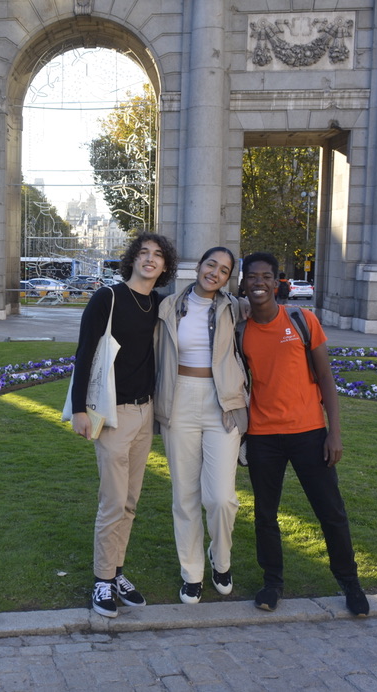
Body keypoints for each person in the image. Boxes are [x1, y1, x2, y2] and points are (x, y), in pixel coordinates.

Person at [238, 252, 369, 617]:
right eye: (252, 277)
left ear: (277, 282)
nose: (259, 283)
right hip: (263, 436)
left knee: (331, 512)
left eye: (266, 276)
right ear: (244, 283)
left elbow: (326, 378)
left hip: (310, 433)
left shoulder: (301, 319)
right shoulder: (241, 330)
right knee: (265, 514)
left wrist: (334, 434)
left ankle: (350, 584)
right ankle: (272, 582)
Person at [69, 231, 178, 618]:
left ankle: (116, 572)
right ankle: (101, 580)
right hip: (112, 413)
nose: (150, 259)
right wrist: (80, 409)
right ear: (132, 259)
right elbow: (85, 352)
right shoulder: (108, 298)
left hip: (145, 412)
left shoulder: (160, 305)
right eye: (144, 253)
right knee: (113, 501)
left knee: (130, 502)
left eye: (158, 255)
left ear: (165, 266)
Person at [154, 247, 249, 604]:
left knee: (221, 498)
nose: (215, 273)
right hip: (179, 401)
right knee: (185, 496)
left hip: (222, 403)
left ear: (228, 279)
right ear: (199, 266)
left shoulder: (235, 308)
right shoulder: (166, 306)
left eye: (224, 270)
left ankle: (220, 560)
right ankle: (191, 572)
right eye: (212, 264)